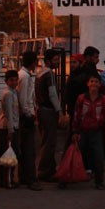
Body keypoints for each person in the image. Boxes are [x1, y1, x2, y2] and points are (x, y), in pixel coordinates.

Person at [69, 73, 105, 190]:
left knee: (98, 157)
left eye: (96, 82)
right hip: (82, 131)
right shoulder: (81, 98)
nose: (94, 84)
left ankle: (99, 181)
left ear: (100, 84)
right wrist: (75, 131)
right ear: (88, 84)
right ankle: (67, 178)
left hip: (96, 132)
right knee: (75, 154)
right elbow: (76, 115)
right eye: (92, 81)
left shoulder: (104, 100)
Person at [35, 48, 65, 182]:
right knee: (50, 142)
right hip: (48, 110)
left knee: (46, 140)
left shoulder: (39, 74)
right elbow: (53, 94)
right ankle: (44, 171)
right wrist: (59, 111)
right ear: (48, 61)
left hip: (41, 109)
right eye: (55, 60)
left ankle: (50, 169)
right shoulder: (50, 75)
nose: (58, 62)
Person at [16, 50, 41, 190]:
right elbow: (24, 99)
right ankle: (30, 178)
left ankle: (25, 177)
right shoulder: (25, 77)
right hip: (26, 116)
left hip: (25, 115)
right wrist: (29, 114)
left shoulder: (23, 75)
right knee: (29, 150)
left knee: (26, 148)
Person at [0, 69, 20, 189]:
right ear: (6, 81)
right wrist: (11, 130)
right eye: (11, 80)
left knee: (7, 155)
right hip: (8, 128)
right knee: (8, 156)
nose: (14, 82)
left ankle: (5, 180)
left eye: (16, 80)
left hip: (9, 127)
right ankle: (7, 180)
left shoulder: (13, 92)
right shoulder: (9, 94)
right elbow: (9, 113)